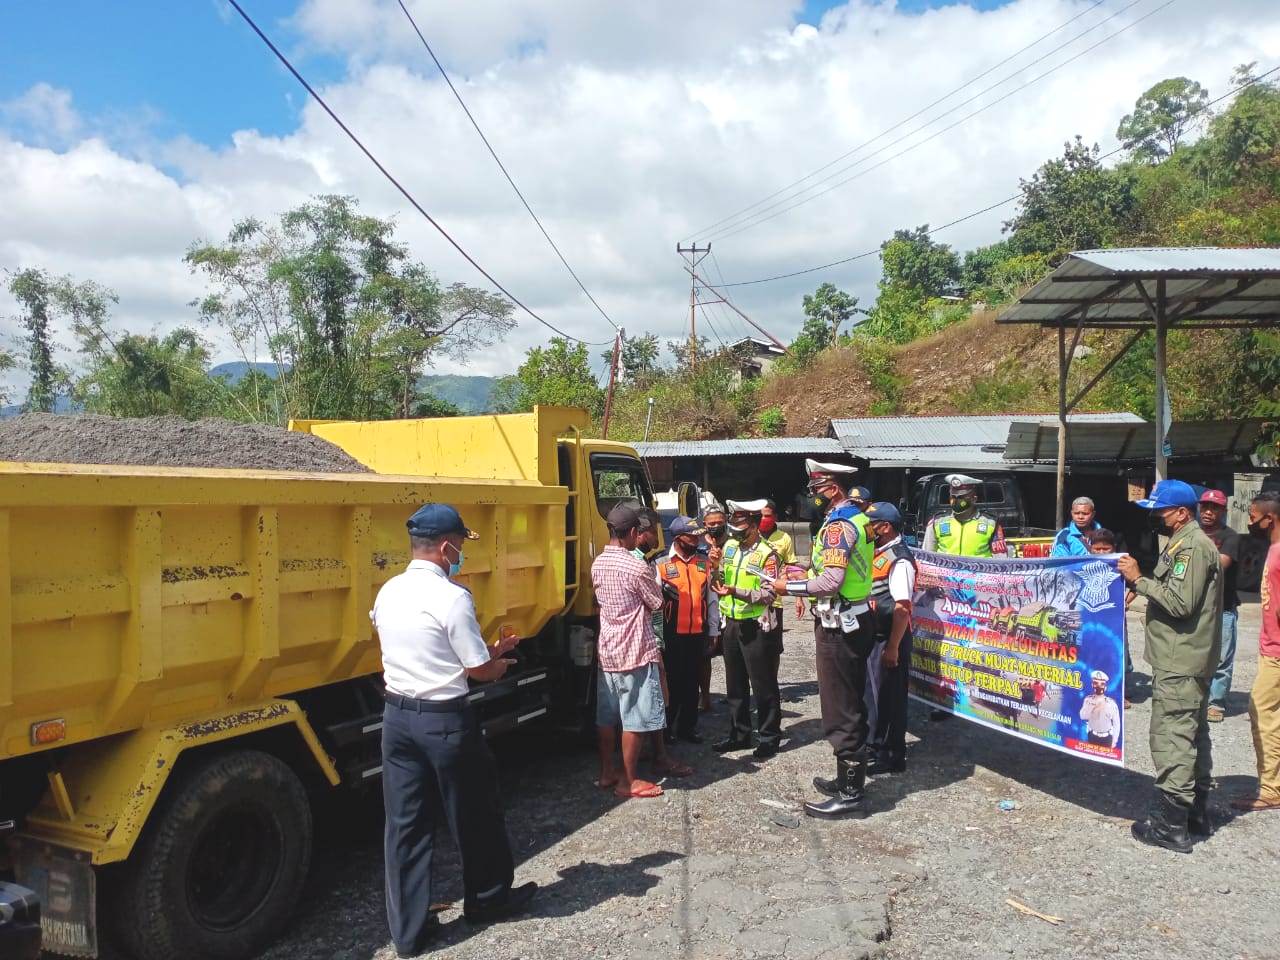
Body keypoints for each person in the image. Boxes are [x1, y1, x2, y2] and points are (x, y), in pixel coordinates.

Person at [372, 503, 537, 957]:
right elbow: (478, 670)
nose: (461, 553)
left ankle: (407, 933)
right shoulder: (453, 596)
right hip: (444, 722)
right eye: (461, 545)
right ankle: (487, 901)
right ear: (446, 547)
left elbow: (424, 645)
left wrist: (484, 651)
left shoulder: (388, 591)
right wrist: (498, 660)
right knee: (475, 814)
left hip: (397, 720)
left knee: (404, 826)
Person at [1117, 479, 1222, 853]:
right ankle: (1196, 814)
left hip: (1181, 660)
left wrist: (1138, 581)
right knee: (1193, 733)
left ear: (1181, 513)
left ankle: (1170, 825)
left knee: (1173, 737)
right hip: (1186, 657)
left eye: (1160, 510)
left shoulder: (1191, 548)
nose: (1155, 517)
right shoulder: (1183, 543)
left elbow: (1180, 604)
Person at [771, 459, 875, 818]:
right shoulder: (855, 518)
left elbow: (831, 581)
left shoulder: (838, 526)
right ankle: (846, 778)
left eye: (814, 490)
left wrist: (789, 587)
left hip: (840, 623)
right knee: (848, 700)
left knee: (840, 706)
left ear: (832, 489)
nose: (809, 497)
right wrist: (804, 571)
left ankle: (850, 794)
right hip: (852, 617)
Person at [592, 503, 670, 799]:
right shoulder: (636, 566)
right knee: (634, 718)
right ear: (634, 532)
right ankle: (628, 781)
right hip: (635, 649)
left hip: (608, 649)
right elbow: (656, 603)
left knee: (607, 717)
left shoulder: (598, 562)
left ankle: (607, 772)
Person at [711, 499, 784, 760]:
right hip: (730, 622)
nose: (736, 535)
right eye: (734, 529)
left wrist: (736, 592)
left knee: (763, 684)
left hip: (756, 625)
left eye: (741, 530)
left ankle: (769, 737)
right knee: (735, 684)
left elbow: (767, 594)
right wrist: (715, 567)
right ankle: (739, 734)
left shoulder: (768, 554)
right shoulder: (729, 547)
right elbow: (718, 581)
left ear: (754, 526)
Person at [1231, 490, 1280, 814]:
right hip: (1269, 648)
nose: (1249, 521)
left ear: (1269, 518)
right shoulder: (1273, 550)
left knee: (1261, 712)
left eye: (1252, 516)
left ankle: (1271, 789)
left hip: (1277, 652)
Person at [863, 502, 916, 775]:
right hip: (876, 635)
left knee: (887, 698)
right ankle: (878, 748)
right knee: (873, 696)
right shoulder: (877, 552)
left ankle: (888, 754)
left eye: (870, 524)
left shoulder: (900, 559)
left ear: (884, 527)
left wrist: (893, 647)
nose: (865, 528)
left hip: (890, 638)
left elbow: (902, 607)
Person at [659, 516, 711, 743]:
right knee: (671, 683)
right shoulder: (660, 564)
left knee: (692, 682)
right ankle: (666, 728)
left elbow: (712, 600)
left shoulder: (704, 562)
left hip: (697, 633)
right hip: (671, 635)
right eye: (692, 536)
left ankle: (688, 728)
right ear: (679, 538)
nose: (697, 539)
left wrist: (714, 632)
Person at [1199, 489, 1242, 723]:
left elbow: (1218, 566)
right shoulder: (1190, 533)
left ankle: (1216, 703)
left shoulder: (1231, 537)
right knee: (1197, 655)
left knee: (1222, 657)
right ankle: (1198, 699)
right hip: (1195, 607)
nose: (1208, 511)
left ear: (1223, 511)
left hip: (1223, 606)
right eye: (1205, 506)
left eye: (1214, 507)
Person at [1085, 527, 1136, 707]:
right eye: (1096, 549)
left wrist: (1125, 601)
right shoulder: (1082, 564)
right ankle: (1092, 689)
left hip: (1115, 619)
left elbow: (1137, 584)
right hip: (1091, 620)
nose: (1100, 552)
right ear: (1090, 548)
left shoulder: (1122, 563)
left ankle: (1121, 693)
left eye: (1105, 549)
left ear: (1114, 548)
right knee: (1093, 653)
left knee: (1119, 654)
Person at [921, 474, 1007, 557]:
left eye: (961, 497)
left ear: (974, 499)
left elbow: (1001, 560)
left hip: (978, 571)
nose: (956, 501)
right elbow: (927, 556)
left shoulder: (990, 523)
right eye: (953, 497)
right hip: (947, 571)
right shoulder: (937, 522)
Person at [698, 504, 728, 713]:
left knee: (731, 655)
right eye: (712, 524)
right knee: (705, 656)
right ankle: (705, 697)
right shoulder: (698, 545)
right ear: (704, 525)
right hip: (706, 606)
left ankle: (734, 694)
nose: (716, 526)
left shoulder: (734, 544)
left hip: (729, 604)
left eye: (719, 522)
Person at [760, 499, 797, 650]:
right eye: (760, 516)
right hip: (752, 598)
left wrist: (798, 598)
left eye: (767, 516)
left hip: (775, 600)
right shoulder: (750, 535)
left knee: (773, 648)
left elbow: (791, 567)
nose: (763, 519)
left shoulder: (784, 538)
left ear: (775, 516)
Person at [1080, 669, 1122, 747]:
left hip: (1107, 738)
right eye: (1096, 683)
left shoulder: (1111, 704)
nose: (1099, 686)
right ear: (1092, 685)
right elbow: (1083, 716)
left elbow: (1116, 724)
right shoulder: (1088, 700)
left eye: (1102, 684)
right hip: (1092, 736)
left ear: (1105, 687)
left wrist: (1114, 741)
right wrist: (1091, 706)